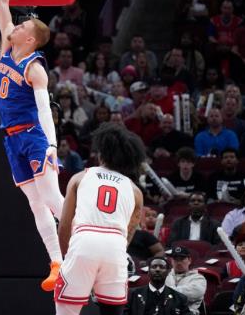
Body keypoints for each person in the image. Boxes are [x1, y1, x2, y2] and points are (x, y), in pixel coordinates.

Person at [0, 0, 65, 291]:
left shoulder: (35, 68)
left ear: (31, 40)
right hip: (11, 137)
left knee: (51, 198)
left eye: (22, 27)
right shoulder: (7, 45)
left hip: (33, 135)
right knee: (35, 204)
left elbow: (46, 108)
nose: (15, 26)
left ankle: (96, 234)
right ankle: (57, 262)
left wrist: (51, 146)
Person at [55, 123, 145, 315]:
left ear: (101, 153)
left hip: (84, 241)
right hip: (115, 247)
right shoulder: (135, 191)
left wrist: (66, 258)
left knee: (66, 311)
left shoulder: (80, 178)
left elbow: (64, 226)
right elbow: (128, 235)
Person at [126, 256, 191, 315]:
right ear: (148, 272)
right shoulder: (132, 295)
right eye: (154, 267)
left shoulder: (179, 298)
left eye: (162, 267)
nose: (157, 270)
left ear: (168, 272)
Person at [165, 246, 207, 315]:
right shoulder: (165, 276)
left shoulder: (198, 278)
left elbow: (194, 293)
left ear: (189, 260)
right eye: (176, 259)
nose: (178, 262)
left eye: (182, 259)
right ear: (171, 261)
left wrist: (167, 292)